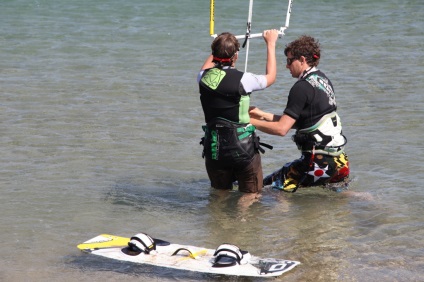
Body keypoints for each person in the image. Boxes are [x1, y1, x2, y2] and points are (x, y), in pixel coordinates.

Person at [249, 35, 350, 193]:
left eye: (289, 61)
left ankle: (284, 218)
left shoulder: (301, 88)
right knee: (343, 196)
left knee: (266, 188)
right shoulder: (322, 79)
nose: (287, 66)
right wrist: (262, 115)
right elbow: (302, 122)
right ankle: (370, 203)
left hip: (318, 162)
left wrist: (249, 122)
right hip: (340, 161)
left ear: (302, 60)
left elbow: (282, 129)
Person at [198, 30, 279, 195]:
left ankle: (219, 220)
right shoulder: (244, 79)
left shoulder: (202, 77)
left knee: (220, 195)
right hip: (242, 148)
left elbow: (207, 65)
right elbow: (271, 77)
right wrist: (270, 43)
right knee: (251, 195)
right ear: (235, 56)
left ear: (214, 54)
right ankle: (241, 219)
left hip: (214, 148)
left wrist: (220, 42)